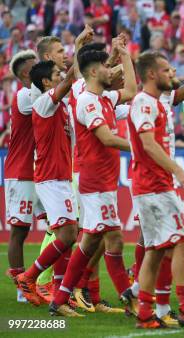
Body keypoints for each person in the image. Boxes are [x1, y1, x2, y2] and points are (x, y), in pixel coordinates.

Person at [128, 51, 184, 328]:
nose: (173, 74)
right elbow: (147, 144)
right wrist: (179, 171)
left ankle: (145, 313)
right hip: (153, 185)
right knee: (183, 242)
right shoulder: (144, 102)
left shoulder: (157, 102)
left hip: (153, 184)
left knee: (156, 250)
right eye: (167, 70)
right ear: (152, 75)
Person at [50, 36, 137, 317]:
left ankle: (60, 299)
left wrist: (124, 54)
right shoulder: (87, 102)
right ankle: (129, 299)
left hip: (105, 181)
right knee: (113, 239)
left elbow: (133, 90)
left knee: (90, 241)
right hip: (94, 181)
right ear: (93, 71)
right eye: (104, 64)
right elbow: (108, 139)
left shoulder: (105, 97)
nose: (109, 69)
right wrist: (143, 148)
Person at [16, 59, 78, 311]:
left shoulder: (61, 106)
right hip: (51, 179)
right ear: (45, 82)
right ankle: (29, 277)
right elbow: (70, 80)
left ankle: (57, 290)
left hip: (61, 177)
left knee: (68, 235)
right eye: (56, 74)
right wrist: (79, 50)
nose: (61, 75)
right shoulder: (43, 103)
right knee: (67, 234)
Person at [4, 50, 39, 304]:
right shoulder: (25, 95)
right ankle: (21, 288)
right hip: (21, 171)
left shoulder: (36, 93)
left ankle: (48, 281)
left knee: (61, 227)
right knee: (19, 231)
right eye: (36, 65)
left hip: (42, 171)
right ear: (26, 73)